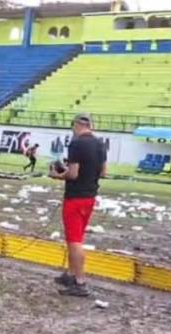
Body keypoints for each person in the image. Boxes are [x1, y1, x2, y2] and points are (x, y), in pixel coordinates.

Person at [49, 113, 106, 297]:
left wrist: (57, 175)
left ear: (76, 125)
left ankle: (80, 282)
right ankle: (71, 274)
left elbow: (73, 174)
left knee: (74, 241)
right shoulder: (100, 144)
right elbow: (103, 172)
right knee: (76, 237)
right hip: (90, 196)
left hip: (75, 197)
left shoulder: (76, 143)